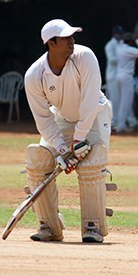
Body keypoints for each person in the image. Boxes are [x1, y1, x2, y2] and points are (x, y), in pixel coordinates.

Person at [24, 19, 112, 243]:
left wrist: (79, 140)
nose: (72, 40)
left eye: (72, 36)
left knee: (91, 162)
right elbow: (43, 119)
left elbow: (90, 102)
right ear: (51, 43)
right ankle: (49, 225)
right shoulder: (34, 76)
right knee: (38, 161)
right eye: (65, 38)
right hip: (62, 117)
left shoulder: (85, 57)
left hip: (94, 114)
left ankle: (93, 226)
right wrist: (62, 149)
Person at [115, 32, 138, 133]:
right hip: (127, 76)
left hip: (119, 75)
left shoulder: (119, 47)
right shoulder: (128, 50)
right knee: (126, 102)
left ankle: (120, 123)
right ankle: (121, 125)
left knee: (122, 101)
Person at [104, 25, 125, 128]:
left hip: (120, 75)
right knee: (114, 99)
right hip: (112, 75)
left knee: (121, 99)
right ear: (114, 33)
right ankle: (113, 121)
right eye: (118, 33)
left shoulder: (121, 44)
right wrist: (124, 58)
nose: (120, 36)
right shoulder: (110, 45)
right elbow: (112, 60)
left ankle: (120, 120)